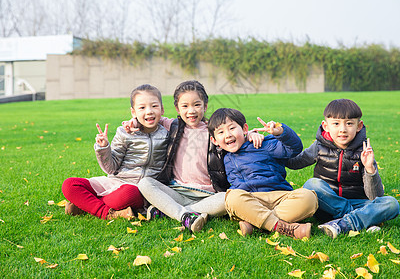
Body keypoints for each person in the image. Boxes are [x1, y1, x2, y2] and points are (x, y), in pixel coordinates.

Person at [124, 80, 263, 232]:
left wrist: (249, 134)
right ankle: (184, 215)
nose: (191, 111)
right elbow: (149, 120)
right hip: (177, 190)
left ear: (205, 106)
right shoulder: (172, 125)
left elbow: (233, 134)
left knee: (229, 198)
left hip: (208, 195)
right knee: (145, 183)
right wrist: (134, 123)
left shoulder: (215, 130)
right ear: (177, 108)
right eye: (185, 106)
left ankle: (169, 211)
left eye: (197, 105)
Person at [287, 99, 400, 238]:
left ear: (359, 126)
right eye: (336, 123)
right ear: (326, 126)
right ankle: (357, 220)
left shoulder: (364, 152)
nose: (343, 129)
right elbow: (294, 163)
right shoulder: (318, 147)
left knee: (391, 203)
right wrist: (279, 138)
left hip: (358, 202)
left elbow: (375, 196)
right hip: (327, 204)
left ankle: (341, 224)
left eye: (349, 123)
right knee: (312, 184)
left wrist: (370, 168)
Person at [61, 84, 169, 220]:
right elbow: (111, 168)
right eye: (142, 107)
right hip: (116, 182)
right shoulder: (124, 132)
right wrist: (104, 147)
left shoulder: (167, 133)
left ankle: (86, 205)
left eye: (154, 106)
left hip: (141, 189)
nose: (149, 111)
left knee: (129, 194)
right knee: (70, 185)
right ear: (133, 112)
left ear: (162, 109)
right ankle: (109, 213)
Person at [208, 108, 318, 239]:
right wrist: (249, 134)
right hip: (251, 200)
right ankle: (283, 227)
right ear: (215, 141)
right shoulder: (222, 156)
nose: (228, 135)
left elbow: (294, 148)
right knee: (232, 197)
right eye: (221, 132)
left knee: (309, 197)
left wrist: (280, 131)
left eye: (232, 128)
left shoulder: (263, 144)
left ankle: (255, 224)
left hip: (279, 197)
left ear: (244, 129)